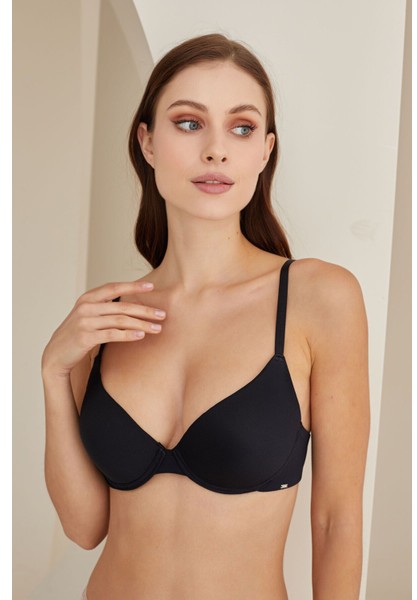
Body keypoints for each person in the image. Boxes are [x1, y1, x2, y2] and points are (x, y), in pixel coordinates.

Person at [41, 33, 370, 600]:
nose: (216, 150)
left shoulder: (318, 298)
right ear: (147, 141)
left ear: (264, 152)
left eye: (241, 128)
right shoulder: (107, 319)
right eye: (189, 123)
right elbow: (84, 527)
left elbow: (335, 521)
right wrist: (53, 372)